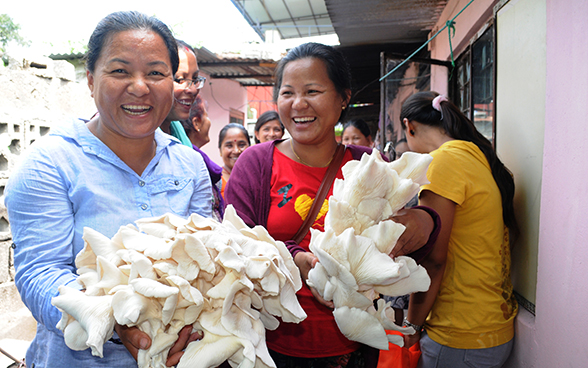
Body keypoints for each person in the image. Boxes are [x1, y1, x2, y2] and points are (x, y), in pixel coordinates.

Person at [4, 11, 212, 368]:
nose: (139, 86)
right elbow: (40, 271)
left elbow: (205, 262)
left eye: (156, 73)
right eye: (120, 70)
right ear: (90, 79)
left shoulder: (189, 165)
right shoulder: (50, 163)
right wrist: (113, 319)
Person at [225, 42, 441, 368]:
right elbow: (232, 242)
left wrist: (425, 221)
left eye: (313, 90)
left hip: (349, 349)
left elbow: (404, 242)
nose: (299, 103)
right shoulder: (256, 162)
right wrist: (293, 255)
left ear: (343, 98)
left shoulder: (368, 165)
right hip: (270, 347)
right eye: (287, 93)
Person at [399, 92, 518, 368]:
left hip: (459, 335)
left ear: (409, 126)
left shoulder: (442, 163)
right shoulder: (476, 155)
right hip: (491, 325)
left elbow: (433, 260)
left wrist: (411, 326)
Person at [180, 95, 225, 219]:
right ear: (196, 123)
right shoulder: (191, 162)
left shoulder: (199, 161)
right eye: (206, 115)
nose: (209, 121)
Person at [161, 39, 206, 146]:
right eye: (179, 79)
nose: (193, 90)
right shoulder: (139, 138)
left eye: (195, 79)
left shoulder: (177, 130)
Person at [219, 123, 251, 198]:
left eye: (241, 145)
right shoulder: (215, 181)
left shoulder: (257, 178)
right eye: (229, 146)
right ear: (220, 150)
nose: (236, 151)